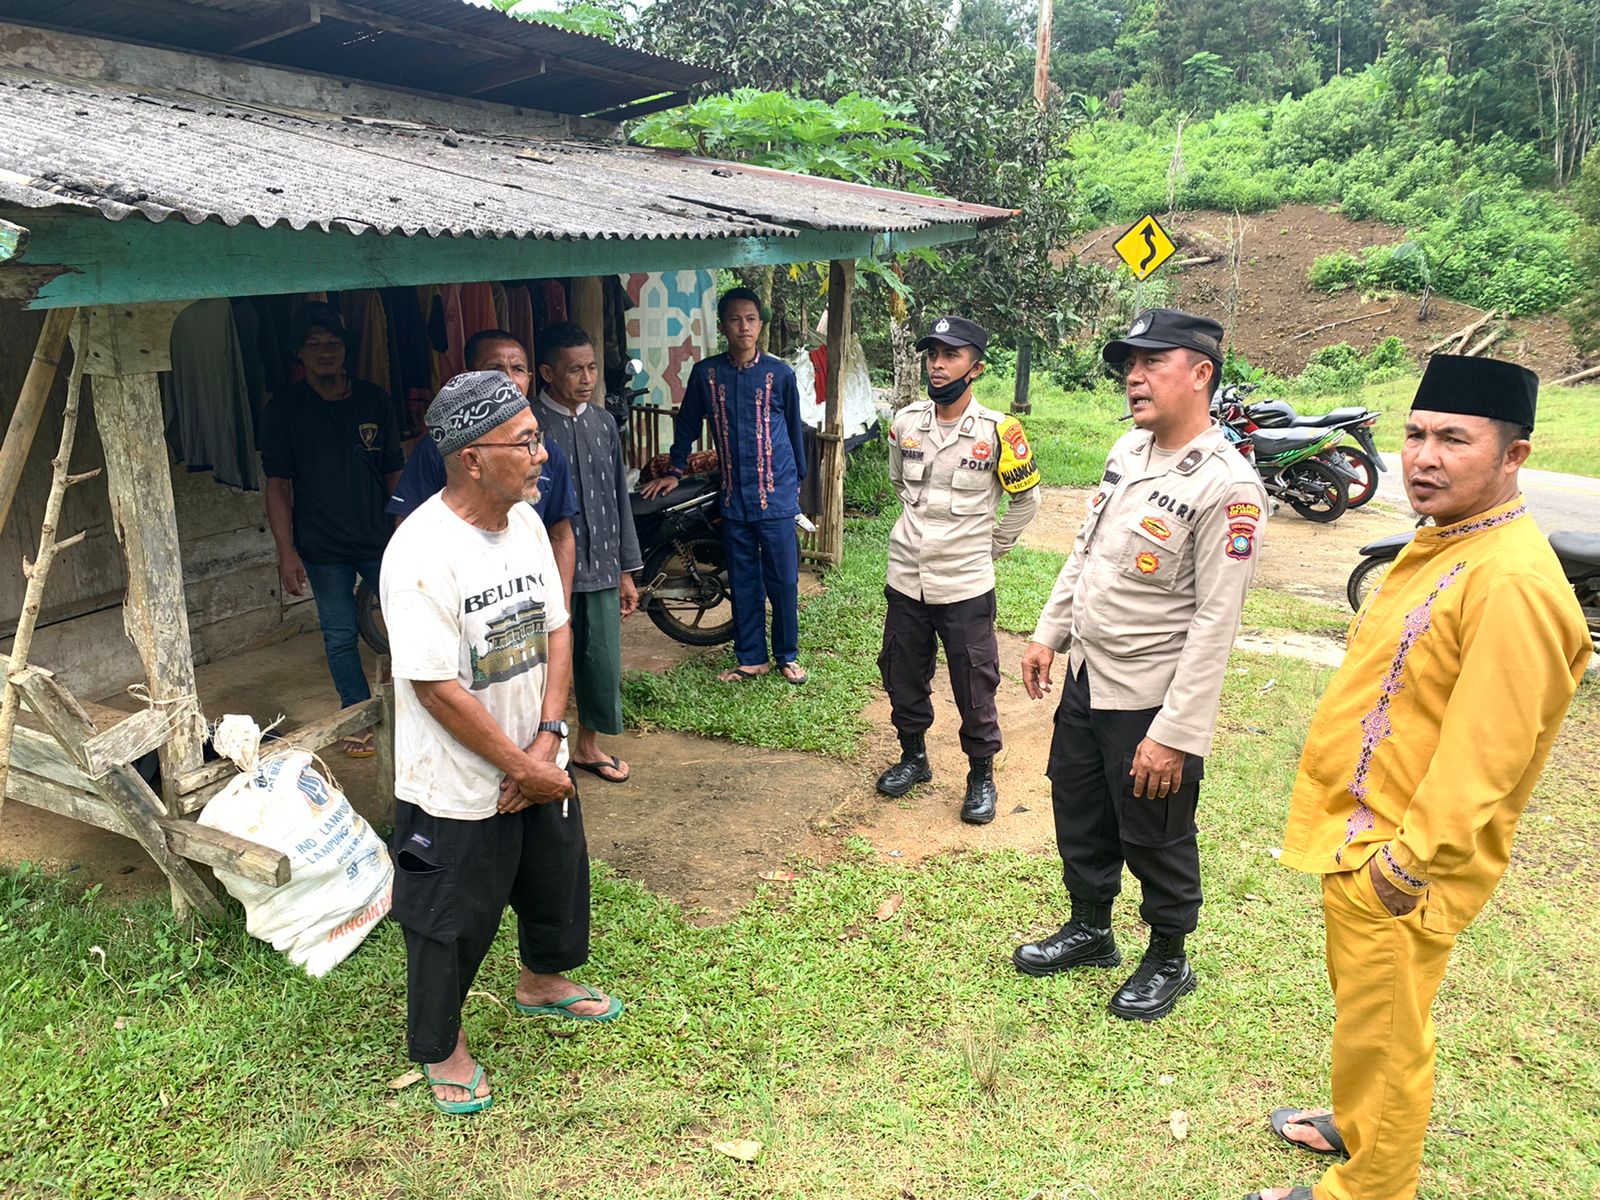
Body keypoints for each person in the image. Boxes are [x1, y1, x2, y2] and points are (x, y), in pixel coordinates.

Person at [1247, 355, 1590, 1200]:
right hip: (1365, 834)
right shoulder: (1451, 543)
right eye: (1416, 434)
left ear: (1514, 458)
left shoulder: (1509, 579)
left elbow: (1491, 749)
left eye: (1455, 440)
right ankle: (1359, 1124)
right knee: (1371, 1021)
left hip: (1403, 862)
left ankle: (1372, 1186)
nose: (1425, 457)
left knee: (1391, 1033)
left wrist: (1406, 863)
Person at [1013, 308, 1265, 1021]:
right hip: (1090, 673)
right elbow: (1086, 550)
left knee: (1155, 832)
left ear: (1200, 374)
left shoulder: (1228, 486)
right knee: (1080, 807)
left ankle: (1168, 956)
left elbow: (1218, 622)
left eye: (1153, 362)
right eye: (1130, 363)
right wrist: (1048, 633)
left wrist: (1176, 733)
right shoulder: (1129, 452)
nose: (1134, 376)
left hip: (1151, 696)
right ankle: (1092, 929)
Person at [382, 370, 623, 1118]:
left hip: (534, 757)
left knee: (554, 877)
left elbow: (556, 626)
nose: (542, 454)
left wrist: (547, 742)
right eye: (526, 442)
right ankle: (442, 1047)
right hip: (456, 781)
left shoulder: (522, 522)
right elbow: (435, 689)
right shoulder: (420, 552)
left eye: (538, 438)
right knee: (448, 917)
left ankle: (542, 980)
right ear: (471, 458)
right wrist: (522, 766)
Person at [876, 316, 1041, 825]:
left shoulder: (999, 432)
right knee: (902, 671)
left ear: (976, 367)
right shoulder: (906, 423)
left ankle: (981, 776)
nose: (938, 365)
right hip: (907, 576)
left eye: (950, 355)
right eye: (932, 355)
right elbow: (898, 485)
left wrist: (988, 548)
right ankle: (914, 758)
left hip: (966, 583)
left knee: (974, 681)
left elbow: (1025, 501)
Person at [640, 287, 808, 684]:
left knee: (783, 579)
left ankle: (787, 655)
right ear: (722, 326)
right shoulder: (707, 374)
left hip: (777, 495)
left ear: (760, 324)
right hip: (734, 497)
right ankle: (752, 658)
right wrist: (675, 469)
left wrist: (798, 483)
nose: (744, 326)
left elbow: (794, 430)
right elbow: (688, 424)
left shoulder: (779, 374)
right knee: (744, 577)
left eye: (750, 318)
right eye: (735, 319)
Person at [261, 305, 403, 757]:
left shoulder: (374, 399)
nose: (325, 352)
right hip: (321, 546)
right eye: (315, 345)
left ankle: (420, 711)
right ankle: (358, 716)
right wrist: (286, 551)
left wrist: (405, 533)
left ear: (346, 351)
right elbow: (278, 484)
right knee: (339, 635)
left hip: (380, 538)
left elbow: (394, 473)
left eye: (333, 344)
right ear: (300, 354)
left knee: (410, 625)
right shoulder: (284, 408)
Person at [388, 329, 579, 604]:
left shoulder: (546, 453)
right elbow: (407, 525)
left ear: (529, 379)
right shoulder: (442, 448)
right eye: (495, 370)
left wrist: (560, 613)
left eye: (518, 369)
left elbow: (561, 536)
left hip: (529, 604)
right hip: (466, 601)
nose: (509, 380)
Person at [534, 322, 641, 784]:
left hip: (600, 568)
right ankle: (538, 753)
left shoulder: (602, 423)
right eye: (574, 369)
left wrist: (626, 570)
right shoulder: (531, 427)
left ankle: (588, 746)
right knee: (539, 665)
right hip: (545, 571)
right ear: (547, 373)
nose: (587, 378)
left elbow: (620, 497)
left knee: (600, 661)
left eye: (592, 367)